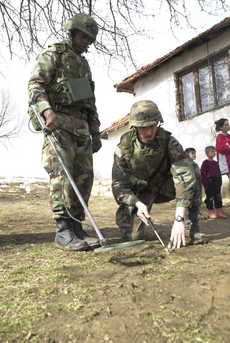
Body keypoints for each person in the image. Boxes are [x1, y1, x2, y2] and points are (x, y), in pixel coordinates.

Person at [28, 13, 102, 251]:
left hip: (81, 128)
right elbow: (35, 84)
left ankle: (77, 227)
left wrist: (96, 131)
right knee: (62, 177)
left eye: (90, 40)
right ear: (72, 32)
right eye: (83, 36)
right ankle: (63, 232)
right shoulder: (53, 54)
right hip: (58, 123)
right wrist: (46, 111)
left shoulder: (84, 64)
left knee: (84, 178)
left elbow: (90, 101)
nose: (86, 43)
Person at [112, 100, 205, 249]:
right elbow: (118, 185)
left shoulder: (169, 143)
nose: (148, 132)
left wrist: (179, 218)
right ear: (134, 127)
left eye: (152, 126)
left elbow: (184, 176)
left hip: (164, 187)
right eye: (143, 128)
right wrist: (136, 203)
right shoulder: (124, 148)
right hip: (140, 194)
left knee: (193, 168)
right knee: (132, 237)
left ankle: (191, 226)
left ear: (158, 123)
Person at [201, 146, 226, 219]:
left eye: (214, 151)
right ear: (207, 153)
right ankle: (210, 212)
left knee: (218, 196)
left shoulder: (216, 163)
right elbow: (203, 174)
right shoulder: (205, 163)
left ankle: (219, 211)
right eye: (212, 151)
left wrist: (220, 182)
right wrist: (205, 185)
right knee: (210, 197)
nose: (214, 153)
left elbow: (219, 173)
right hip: (209, 182)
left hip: (217, 181)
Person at [185, 147, 207, 221]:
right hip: (189, 187)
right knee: (188, 200)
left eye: (195, 153)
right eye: (192, 153)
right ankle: (186, 214)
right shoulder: (185, 164)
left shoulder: (195, 164)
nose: (194, 155)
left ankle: (198, 213)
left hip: (198, 186)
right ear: (187, 154)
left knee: (197, 200)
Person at [214, 118, 230, 191]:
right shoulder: (220, 136)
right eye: (226, 125)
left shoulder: (228, 136)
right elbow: (220, 148)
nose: (228, 126)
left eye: (228, 124)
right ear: (221, 127)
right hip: (228, 163)